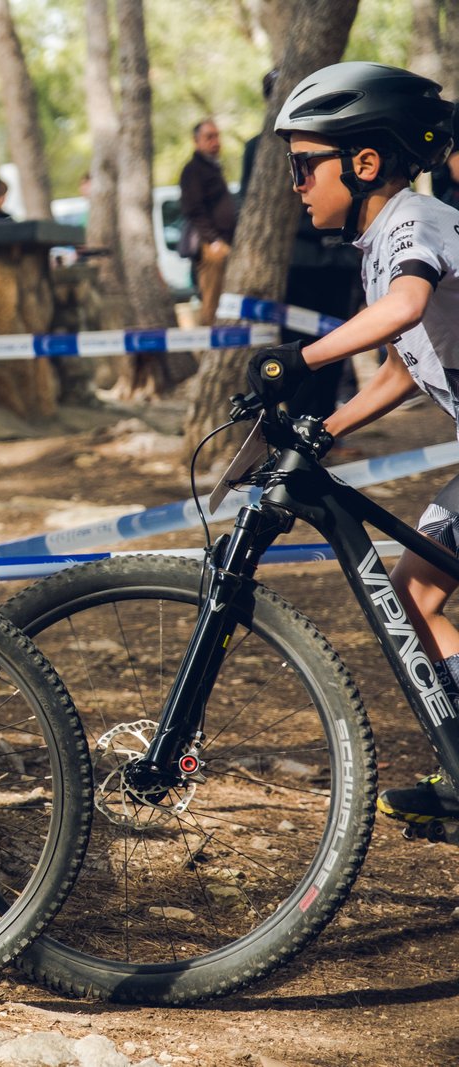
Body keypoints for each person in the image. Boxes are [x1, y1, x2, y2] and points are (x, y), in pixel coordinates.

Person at [247, 61, 459, 825]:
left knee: (415, 595)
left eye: (305, 165)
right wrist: (326, 427)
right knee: (414, 596)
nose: (296, 185)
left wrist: (298, 359)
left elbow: (404, 309)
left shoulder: (413, 220)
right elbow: (403, 367)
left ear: (364, 163)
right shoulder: (381, 242)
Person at [239, 69, 362, 420]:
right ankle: (300, 423)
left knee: (338, 344)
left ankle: (327, 424)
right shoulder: (258, 148)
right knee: (300, 347)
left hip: (339, 261)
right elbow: (253, 208)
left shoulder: (329, 140)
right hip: (300, 264)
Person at [180, 120, 238, 326]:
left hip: (224, 241)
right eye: (209, 137)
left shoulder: (213, 166)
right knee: (212, 301)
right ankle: (209, 341)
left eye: (217, 136)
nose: (215, 142)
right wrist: (213, 240)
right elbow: (194, 210)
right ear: (197, 141)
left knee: (225, 299)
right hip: (210, 245)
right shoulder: (193, 170)